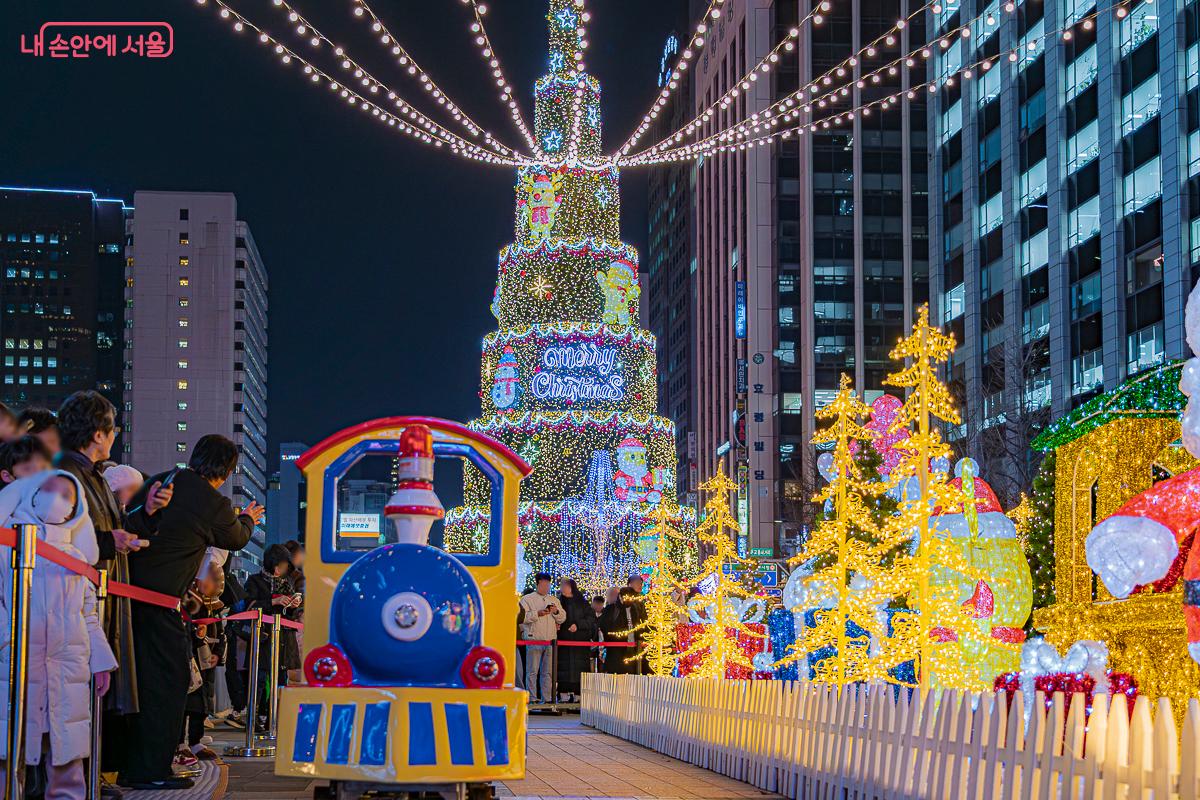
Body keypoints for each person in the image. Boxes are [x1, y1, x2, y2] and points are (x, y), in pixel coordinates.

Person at [119, 434, 260, 790]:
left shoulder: (161, 479)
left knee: (136, 683)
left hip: (125, 596)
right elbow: (236, 538)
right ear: (227, 472)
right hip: (161, 602)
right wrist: (247, 518)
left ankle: (126, 762)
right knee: (169, 684)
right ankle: (150, 769)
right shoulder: (212, 502)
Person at [56, 391, 170, 793]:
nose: (115, 435)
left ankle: (87, 777)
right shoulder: (68, 475)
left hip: (99, 596)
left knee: (93, 692)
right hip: (80, 600)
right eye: (111, 428)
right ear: (98, 433)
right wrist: (111, 542)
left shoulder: (91, 473)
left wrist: (146, 515)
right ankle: (73, 780)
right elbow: (60, 539)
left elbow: (113, 527)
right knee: (78, 693)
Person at [0, 470, 117, 800]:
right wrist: (8, 640)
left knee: (66, 749)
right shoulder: (7, 544)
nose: (56, 498)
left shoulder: (77, 556)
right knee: (9, 746)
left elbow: (88, 614)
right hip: (17, 661)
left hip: (68, 664)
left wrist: (100, 662)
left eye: (67, 494)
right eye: (48, 489)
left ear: (75, 507)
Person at [243, 544, 297, 733]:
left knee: (281, 678)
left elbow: (292, 612)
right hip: (262, 637)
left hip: (282, 636)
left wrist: (293, 603)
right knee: (259, 679)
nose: (282, 569)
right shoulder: (255, 581)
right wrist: (273, 601)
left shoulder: (287, 582)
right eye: (280, 564)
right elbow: (249, 607)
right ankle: (254, 718)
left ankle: (275, 718)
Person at [518, 573, 564, 704]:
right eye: (543, 584)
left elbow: (563, 617)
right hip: (534, 639)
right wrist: (537, 614)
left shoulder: (554, 600)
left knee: (548, 672)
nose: (546, 587)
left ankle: (547, 698)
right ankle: (532, 698)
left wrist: (555, 612)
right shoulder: (527, 599)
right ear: (537, 584)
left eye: (548, 585)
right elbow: (522, 617)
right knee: (532, 671)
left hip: (550, 641)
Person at [555, 579, 596, 702]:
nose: (563, 588)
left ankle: (579, 696)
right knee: (563, 669)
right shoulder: (558, 602)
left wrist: (578, 625)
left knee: (580, 670)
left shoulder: (582, 603)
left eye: (565, 585)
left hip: (580, 643)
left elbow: (591, 619)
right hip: (563, 642)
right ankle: (563, 695)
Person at [599, 587, 645, 674]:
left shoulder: (637, 609)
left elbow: (642, 625)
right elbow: (603, 627)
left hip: (634, 649)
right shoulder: (611, 609)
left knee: (632, 676)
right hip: (615, 650)